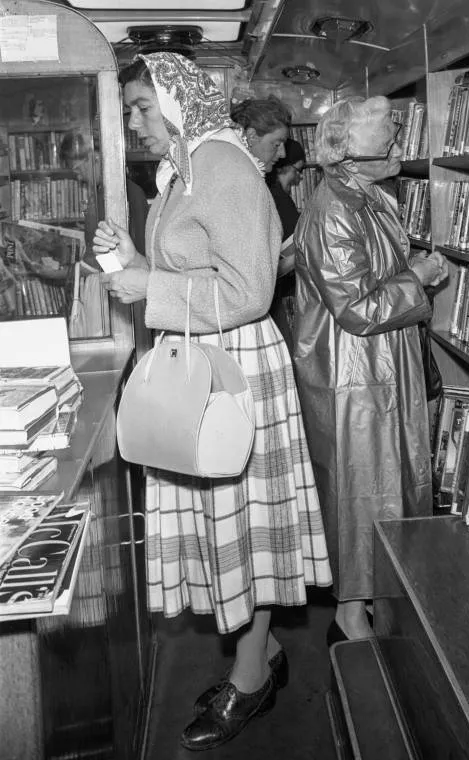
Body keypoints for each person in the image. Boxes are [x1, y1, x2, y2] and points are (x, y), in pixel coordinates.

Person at [92, 53, 331, 751]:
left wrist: (150, 290)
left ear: (176, 98)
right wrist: (132, 266)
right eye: (130, 109)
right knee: (228, 526)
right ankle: (263, 655)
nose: (134, 122)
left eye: (141, 106)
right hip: (209, 357)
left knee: (242, 527)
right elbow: (191, 270)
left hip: (235, 366)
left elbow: (249, 291)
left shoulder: (221, 167)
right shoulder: (184, 169)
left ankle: (252, 676)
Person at [293, 95, 448, 643]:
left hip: (383, 361)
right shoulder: (333, 207)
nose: (395, 136)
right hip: (352, 371)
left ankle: (379, 600)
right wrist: (421, 277)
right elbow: (356, 307)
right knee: (363, 488)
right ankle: (352, 610)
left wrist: (410, 274)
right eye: (384, 129)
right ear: (347, 145)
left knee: (392, 480)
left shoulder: (367, 195)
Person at [266, 137, 306, 350]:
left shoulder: (275, 196)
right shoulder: (277, 200)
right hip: (281, 297)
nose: (299, 179)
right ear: (283, 168)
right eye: (297, 170)